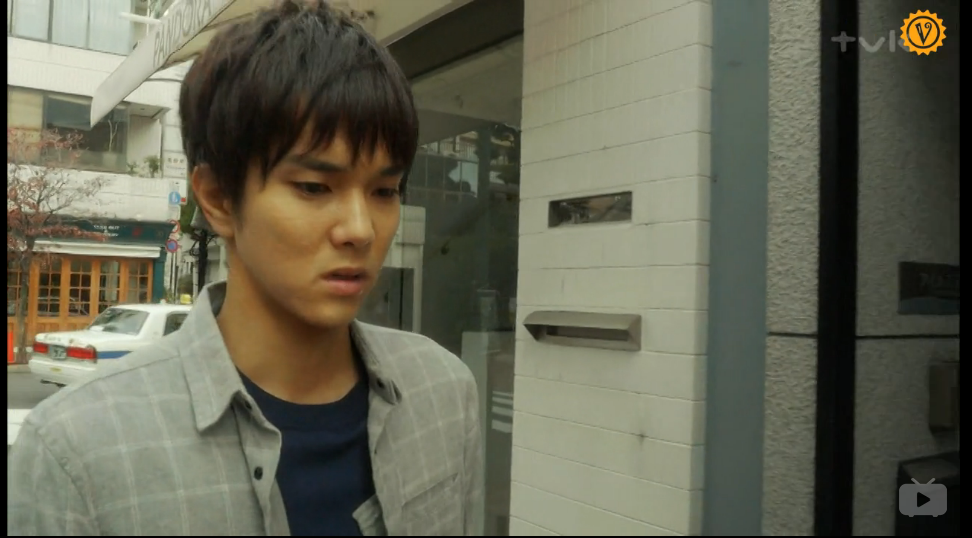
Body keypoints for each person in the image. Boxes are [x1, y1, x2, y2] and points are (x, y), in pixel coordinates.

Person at [6, 1, 482, 536]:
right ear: (217, 198)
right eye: (313, 187)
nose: (360, 229)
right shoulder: (77, 451)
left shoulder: (444, 392)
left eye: (385, 191)